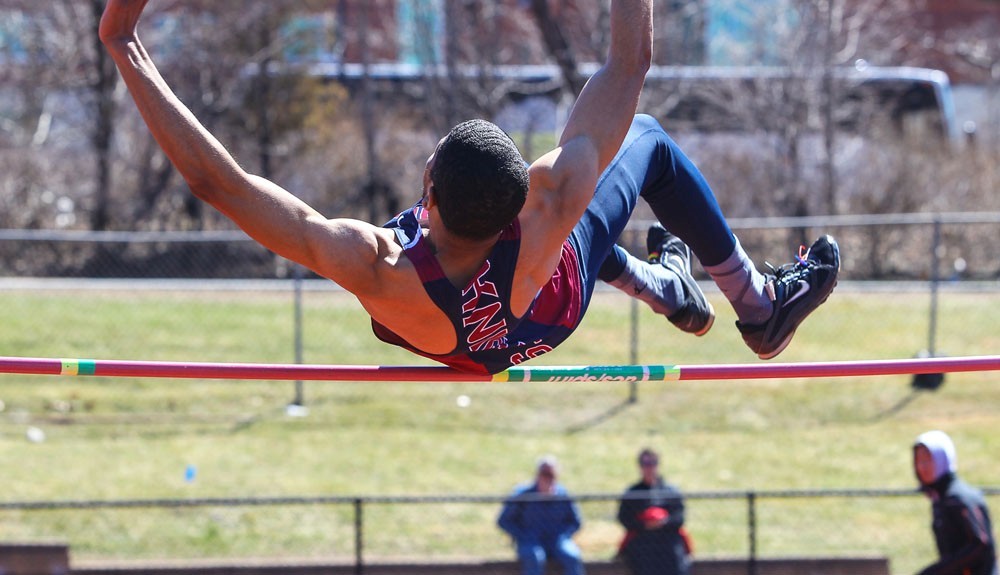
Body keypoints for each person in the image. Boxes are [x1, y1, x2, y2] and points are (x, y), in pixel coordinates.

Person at [99, 0, 840, 376]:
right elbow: (628, 66)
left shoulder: (376, 266)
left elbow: (218, 183)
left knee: (597, 196)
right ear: (523, 193)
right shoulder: (549, 203)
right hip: (547, 311)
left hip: (435, 330)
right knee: (640, 139)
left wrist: (124, 44)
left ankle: (690, 291)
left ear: (428, 183)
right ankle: (753, 303)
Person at [913, 430, 997, 575]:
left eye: (928, 459)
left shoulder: (961, 498)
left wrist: (936, 571)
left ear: (943, 459)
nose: (922, 467)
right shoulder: (940, 499)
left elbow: (980, 544)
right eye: (919, 461)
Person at [497, 456, 585, 575]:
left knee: (572, 556)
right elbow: (504, 520)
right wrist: (523, 535)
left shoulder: (563, 495)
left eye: (551, 475)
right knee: (535, 557)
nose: (548, 478)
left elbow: (576, 522)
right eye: (544, 474)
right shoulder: (523, 495)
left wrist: (562, 535)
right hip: (530, 541)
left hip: (557, 540)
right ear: (537, 475)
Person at [617, 448, 691, 575]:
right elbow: (624, 518)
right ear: (640, 466)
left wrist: (663, 522)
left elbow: (679, 518)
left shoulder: (670, 491)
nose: (649, 468)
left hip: (667, 538)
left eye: (653, 463)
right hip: (642, 539)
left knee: (676, 556)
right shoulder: (633, 492)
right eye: (645, 464)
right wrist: (645, 524)